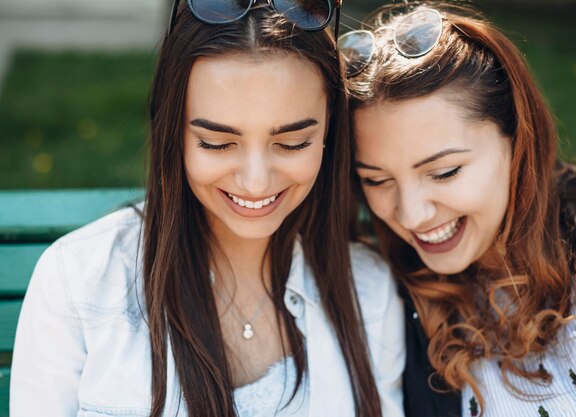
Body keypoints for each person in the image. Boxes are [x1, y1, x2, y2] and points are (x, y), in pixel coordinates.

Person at [10, 1, 405, 416]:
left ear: (329, 132)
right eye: (217, 144)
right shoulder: (78, 281)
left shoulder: (369, 293)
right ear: (173, 133)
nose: (256, 181)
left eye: (292, 144)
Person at [340, 3, 576, 417]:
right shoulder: (388, 312)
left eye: (444, 172)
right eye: (377, 180)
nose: (412, 216)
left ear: (517, 139)